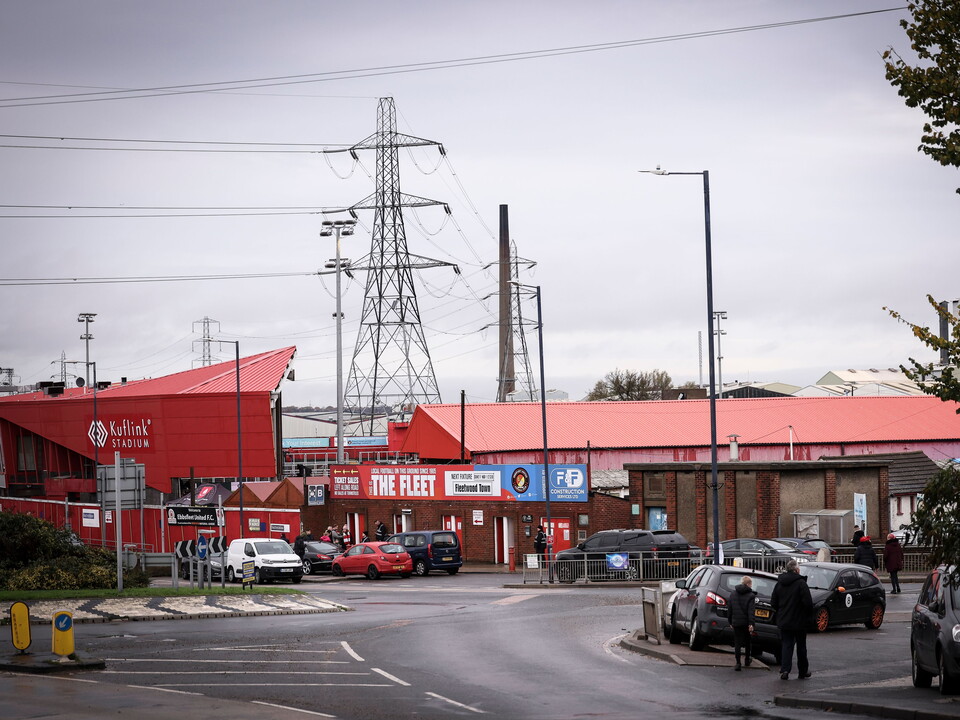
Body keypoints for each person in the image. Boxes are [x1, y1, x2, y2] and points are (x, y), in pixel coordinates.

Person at [771, 559, 813, 680]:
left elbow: (773, 602)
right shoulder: (801, 583)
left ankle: (785, 670)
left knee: (787, 645)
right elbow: (808, 603)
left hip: (784, 620)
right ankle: (802, 671)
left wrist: (781, 612)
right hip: (800, 621)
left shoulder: (779, 583)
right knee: (801, 647)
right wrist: (807, 616)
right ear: (796, 570)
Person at [730, 575, 756, 671]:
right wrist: (751, 624)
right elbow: (751, 611)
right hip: (746, 623)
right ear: (748, 584)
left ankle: (738, 663)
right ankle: (747, 659)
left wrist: (730, 621)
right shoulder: (751, 595)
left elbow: (730, 609)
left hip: (736, 621)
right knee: (748, 641)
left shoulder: (733, 594)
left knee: (737, 642)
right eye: (751, 584)